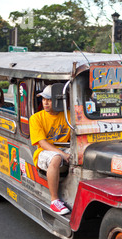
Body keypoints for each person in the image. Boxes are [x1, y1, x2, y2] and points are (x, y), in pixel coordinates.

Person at [29, 85, 71, 215]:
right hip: (43, 152)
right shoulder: (36, 118)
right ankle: (54, 200)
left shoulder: (69, 115)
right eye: (43, 99)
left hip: (65, 148)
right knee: (56, 158)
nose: (45, 103)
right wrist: (63, 154)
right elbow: (42, 143)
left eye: (49, 99)